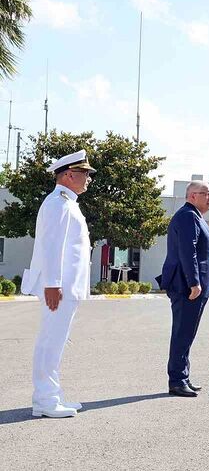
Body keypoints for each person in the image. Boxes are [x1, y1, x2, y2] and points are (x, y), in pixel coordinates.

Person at [23, 150, 95, 418]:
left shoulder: (67, 203)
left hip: (65, 287)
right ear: (69, 175)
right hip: (58, 288)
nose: (88, 179)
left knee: (56, 340)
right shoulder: (57, 203)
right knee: (50, 341)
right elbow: (51, 247)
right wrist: (52, 284)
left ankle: (52, 394)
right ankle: (45, 399)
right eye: (85, 173)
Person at [158, 180, 209, 398]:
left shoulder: (196, 216)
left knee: (187, 333)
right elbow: (187, 251)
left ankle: (183, 376)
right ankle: (177, 380)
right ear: (192, 195)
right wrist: (194, 282)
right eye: (206, 194)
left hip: (194, 287)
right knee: (182, 333)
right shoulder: (187, 216)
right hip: (187, 287)